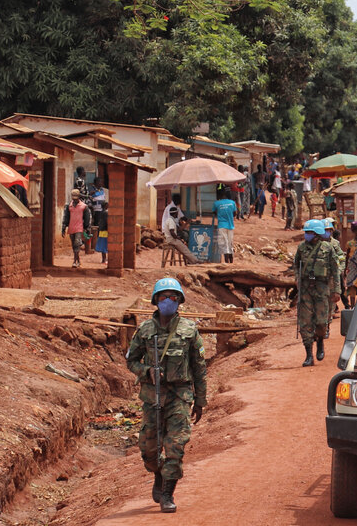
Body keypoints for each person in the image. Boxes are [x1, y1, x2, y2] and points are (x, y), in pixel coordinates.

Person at [125, 278, 207, 513]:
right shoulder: (145, 330)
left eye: (173, 297)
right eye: (164, 297)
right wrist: (147, 371)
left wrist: (200, 400)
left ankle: (168, 494)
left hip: (180, 397)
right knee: (149, 450)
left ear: (179, 301)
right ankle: (159, 475)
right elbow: (131, 360)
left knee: (176, 447)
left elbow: (199, 368)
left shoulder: (189, 331)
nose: (169, 301)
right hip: (152, 398)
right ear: (156, 300)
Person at [294, 220, 340, 366]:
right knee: (305, 322)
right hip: (306, 288)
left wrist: (337, 290)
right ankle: (309, 355)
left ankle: (320, 340)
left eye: (309, 232)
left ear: (317, 234)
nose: (306, 235)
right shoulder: (301, 248)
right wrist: (297, 280)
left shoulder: (328, 248)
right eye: (306, 232)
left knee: (321, 322)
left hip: (322, 288)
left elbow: (335, 270)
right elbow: (296, 266)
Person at [61, 188, 90, 268]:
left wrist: (87, 228)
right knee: (74, 245)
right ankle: (78, 260)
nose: (75, 200)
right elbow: (66, 217)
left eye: (76, 198)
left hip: (79, 228)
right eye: (73, 198)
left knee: (77, 243)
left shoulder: (84, 206)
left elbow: (87, 218)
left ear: (79, 197)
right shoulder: (69, 206)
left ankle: (74, 261)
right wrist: (63, 228)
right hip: (71, 227)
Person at [212, 189, 237, 264]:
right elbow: (235, 213)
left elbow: (213, 212)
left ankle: (226, 261)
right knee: (230, 243)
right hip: (230, 225)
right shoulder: (232, 203)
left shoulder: (216, 203)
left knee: (224, 244)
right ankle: (231, 261)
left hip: (222, 225)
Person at [91, 178, 109, 264]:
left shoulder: (102, 190)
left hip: (103, 230)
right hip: (96, 210)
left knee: (104, 245)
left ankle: (104, 259)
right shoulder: (92, 190)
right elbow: (91, 199)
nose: (101, 183)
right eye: (99, 182)